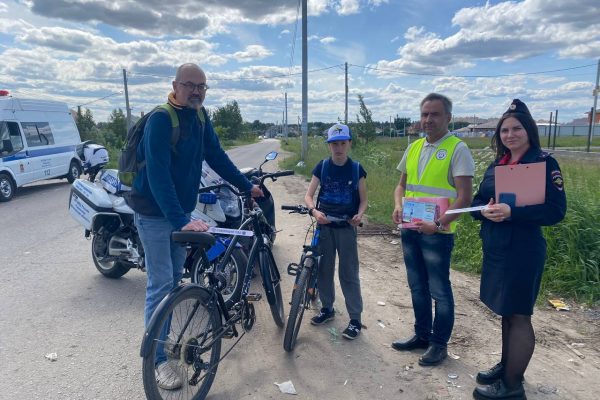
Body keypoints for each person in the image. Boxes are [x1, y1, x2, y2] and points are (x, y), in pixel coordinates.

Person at [126, 63, 262, 390]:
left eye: (202, 86)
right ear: (175, 85)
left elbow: (216, 156)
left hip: (178, 212)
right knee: (161, 285)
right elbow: (158, 175)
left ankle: (164, 341)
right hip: (155, 214)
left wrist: (245, 185)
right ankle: (158, 362)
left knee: (174, 281)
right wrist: (182, 219)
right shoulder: (161, 119)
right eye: (190, 85)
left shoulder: (200, 117)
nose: (197, 91)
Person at [470, 99, 566, 400]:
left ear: (529, 130)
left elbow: (555, 211)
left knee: (519, 315)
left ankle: (512, 387)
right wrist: (482, 211)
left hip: (523, 251)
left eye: (516, 129)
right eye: (505, 130)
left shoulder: (543, 162)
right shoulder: (497, 164)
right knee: (506, 313)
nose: (510, 135)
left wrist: (513, 213)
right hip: (497, 247)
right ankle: (508, 365)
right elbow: (478, 200)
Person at [391, 93, 475, 366]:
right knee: (417, 287)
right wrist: (397, 205)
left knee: (439, 290)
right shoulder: (414, 147)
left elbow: (465, 197)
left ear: (448, 118)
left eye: (434, 114)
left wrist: (439, 224)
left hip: (437, 234)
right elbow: (401, 186)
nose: (428, 119)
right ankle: (422, 335)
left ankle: (439, 345)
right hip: (411, 228)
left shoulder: (457, 148)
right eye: (424, 114)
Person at [304, 123, 368, 340]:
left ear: (349, 143)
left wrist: (359, 214)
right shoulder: (322, 167)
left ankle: (355, 319)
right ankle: (327, 309)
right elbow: (308, 196)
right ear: (329, 145)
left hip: (346, 229)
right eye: (334, 144)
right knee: (324, 269)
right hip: (325, 226)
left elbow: (364, 200)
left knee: (348, 273)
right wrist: (314, 211)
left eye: (342, 143)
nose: (338, 148)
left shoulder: (357, 169)